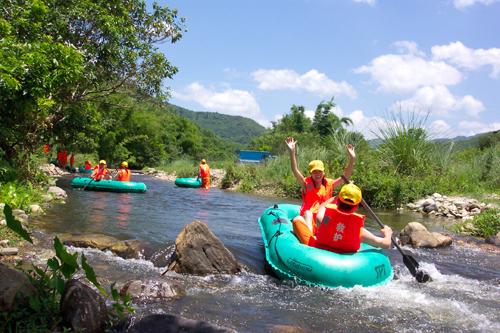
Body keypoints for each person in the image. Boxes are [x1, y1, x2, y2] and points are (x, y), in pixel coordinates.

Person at [293, 182, 393, 253]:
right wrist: (388, 233)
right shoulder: (359, 231)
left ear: (338, 201)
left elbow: (322, 206)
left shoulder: (324, 219)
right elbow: (386, 244)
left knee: (298, 219)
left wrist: (337, 197)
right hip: (344, 259)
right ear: (356, 206)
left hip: (317, 250)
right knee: (307, 216)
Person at [285, 137, 356, 234]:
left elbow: (346, 176)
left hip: (323, 220)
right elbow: (295, 170)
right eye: (315, 172)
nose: (317, 174)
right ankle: (309, 239)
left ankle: (327, 236)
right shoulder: (306, 184)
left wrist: (352, 159)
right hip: (308, 220)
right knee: (308, 213)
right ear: (311, 173)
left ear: (323, 172)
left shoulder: (329, 184)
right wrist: (292, 152)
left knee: (333, 216)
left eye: (320, 171)